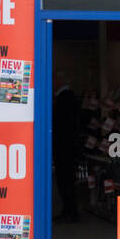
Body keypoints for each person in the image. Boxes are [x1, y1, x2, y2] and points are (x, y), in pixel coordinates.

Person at [52, 71, 81, 222]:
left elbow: (63, 124)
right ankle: (67, 210)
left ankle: (71, 212)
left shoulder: (66, 98)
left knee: (66, 179)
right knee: (64, 179)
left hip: (65, 148)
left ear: (60, 80)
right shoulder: (64, 97)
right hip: (65, 147)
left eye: (54, 78)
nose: (51, 82)